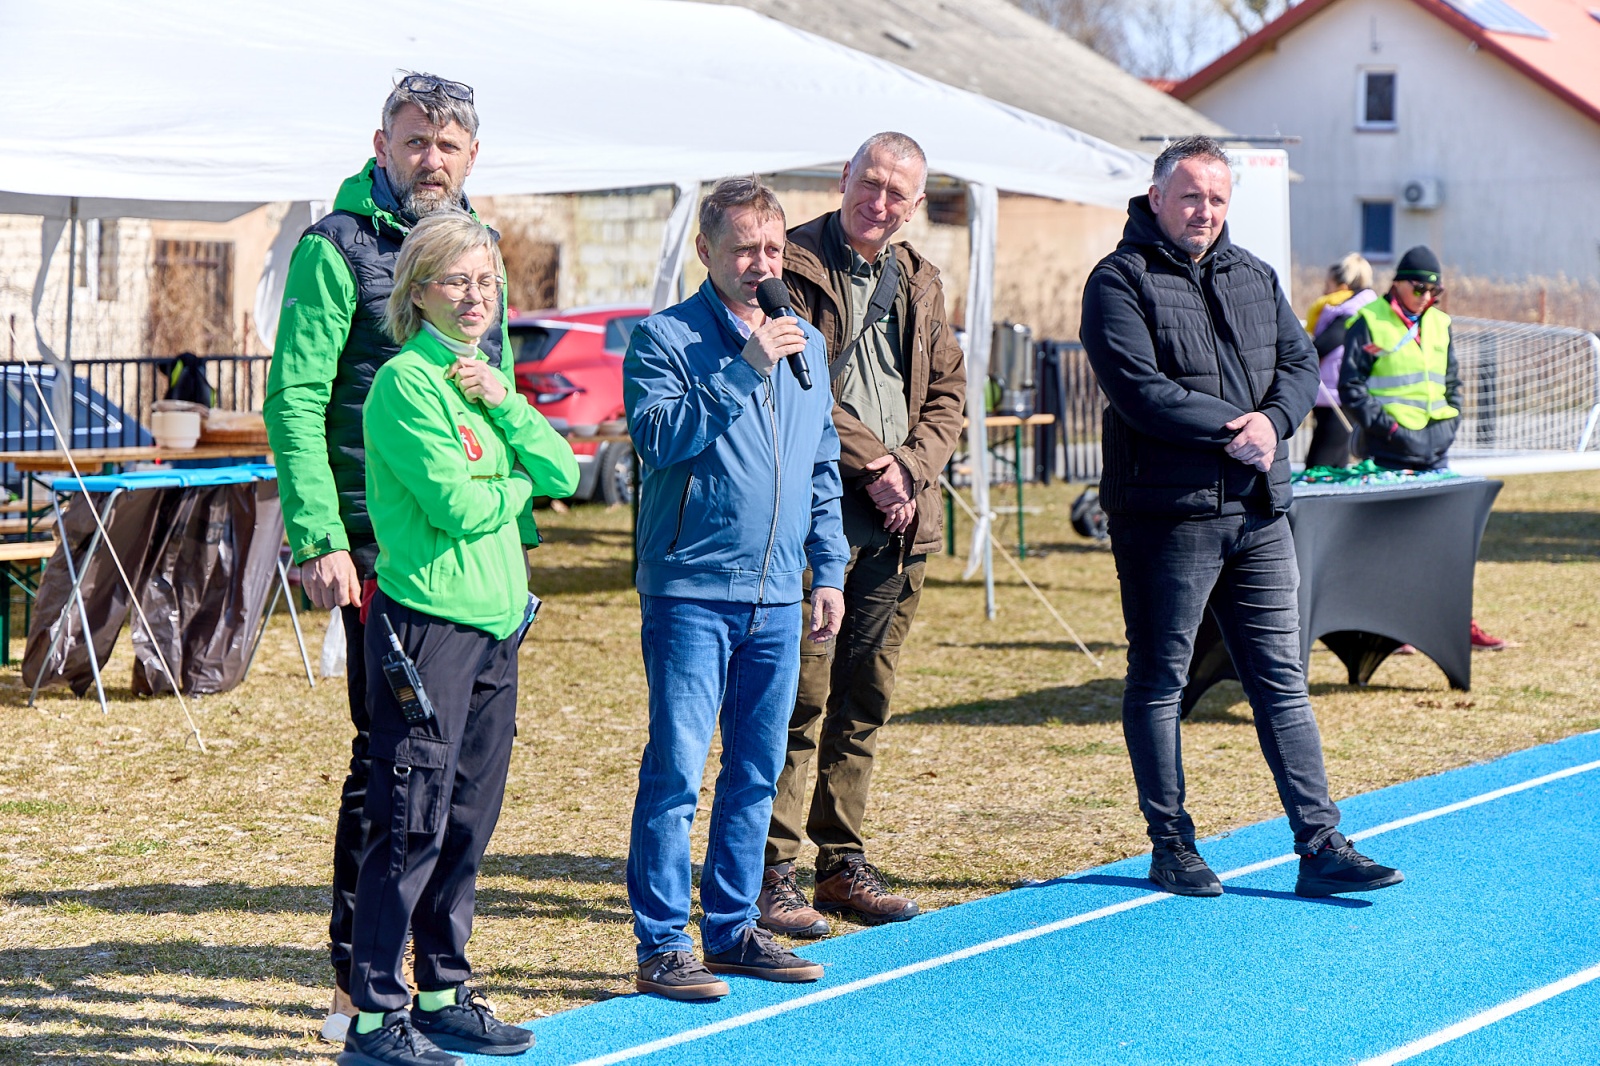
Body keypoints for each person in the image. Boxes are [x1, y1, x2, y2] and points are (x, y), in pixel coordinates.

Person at [1080, 135, 1404, 900]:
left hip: (1259, 512)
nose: (1205, 211)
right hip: (1169, 515)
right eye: (1191, 195)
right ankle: (1171, 846)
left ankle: (1320, 846)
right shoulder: (1117, 280)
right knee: (1161, 681)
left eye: (1218, 198)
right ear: (1156, 196)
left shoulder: (1253, 274)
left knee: (1281, 682)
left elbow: (1299, 366)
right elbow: (1139, 388)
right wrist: (1244, 427)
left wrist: (1276, 421)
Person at [263, 72, 512, 1042]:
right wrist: (319, 534)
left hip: (472, 566)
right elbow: (295, 397)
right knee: (392, 771)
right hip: (377, 552)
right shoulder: (338, 246)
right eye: (415, 141)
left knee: (461, 777)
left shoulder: (476, 252)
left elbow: (495, 396)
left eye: (448, 145)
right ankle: (356, 993)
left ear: (471, 157)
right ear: (382, 141)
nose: (431, 159)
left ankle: (440, 982)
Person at [342, 211, 578, 1066]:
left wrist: (507, 407)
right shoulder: (407, 383)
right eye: (457, 282)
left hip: (497, 629)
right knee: (410, 822)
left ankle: (443, 992)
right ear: (418, 292)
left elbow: (566, 471)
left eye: (486, 282)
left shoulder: (481, 378)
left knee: (468, 820)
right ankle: (373, 1018)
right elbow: (459, 507)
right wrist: (511, 485)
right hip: (428, 629)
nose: (476, 296)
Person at [623, 176, 850, 1000]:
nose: (760, 264)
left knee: (756, 768)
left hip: (780, 594)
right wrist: (743, 368)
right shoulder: (664, 338)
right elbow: (657, 440)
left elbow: (822, 459)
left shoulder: (808, 343)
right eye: (743, 248)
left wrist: (827, 564)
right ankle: (659, 942)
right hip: (690, 587)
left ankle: (729, 929)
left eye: (772, 249)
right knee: (678, 769)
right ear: (706, 251)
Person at [756, 132, 965, 938]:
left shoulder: (920, 278)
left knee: (865, 701)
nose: (879, 202)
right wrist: (875, 461)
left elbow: (948, 390)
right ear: (844, 178)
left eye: (896, 193)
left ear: (916, 206)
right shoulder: (793, 264)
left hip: (901, 521)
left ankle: (840, 864)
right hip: (818, 514)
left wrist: (909, 469)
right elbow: (794, 380)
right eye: (869, 183)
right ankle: (770, 872)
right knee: (797, 703)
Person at [1339, 245, 1507, 650]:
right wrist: (1390, 428)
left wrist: (1450, 424)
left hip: (1436, 449)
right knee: (1391, 544)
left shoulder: (1440, 323)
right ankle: (1394, 630)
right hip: (1389, 451)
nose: (1428, 298)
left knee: (1448, 543)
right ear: (1397, 283)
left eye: (1436, 291)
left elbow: (1452, 383)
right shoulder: (1368, 321)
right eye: (1420, 289)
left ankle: (1457, 621)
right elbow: (1351, 388)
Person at [1301, 254, 1377, 469]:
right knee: (1337, 461)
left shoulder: (1348, 313)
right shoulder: (1366, 309)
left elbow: (1323, 345)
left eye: (1328, 285)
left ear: (1342, 287)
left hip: (1336, 395)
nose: (1325, 292)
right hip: (1338, 393)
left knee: (1319, 464)